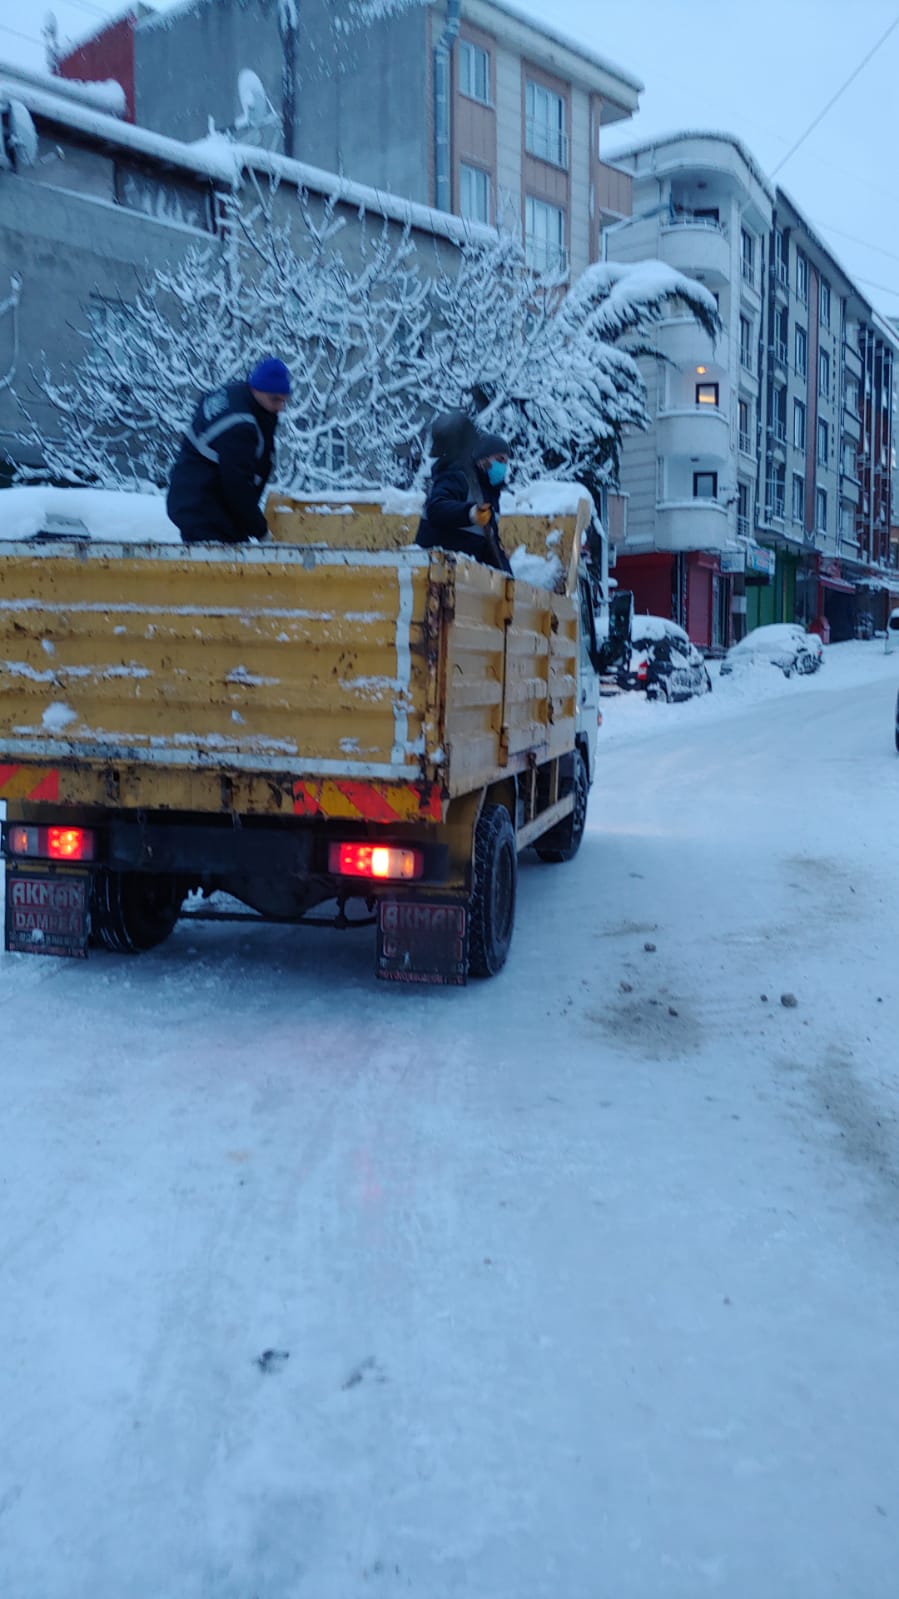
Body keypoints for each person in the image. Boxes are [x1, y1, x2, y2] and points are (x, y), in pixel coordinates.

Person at [166, 357, 291, 544]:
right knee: (224, 570)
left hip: (195, 500)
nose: (280, 407)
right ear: (256, 389)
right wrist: (261, 532)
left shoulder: (233, 395)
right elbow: (237, 486)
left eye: (284, 400)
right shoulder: (240, 426)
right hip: (205, 513)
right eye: (274, 399)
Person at [415, 411, 513, 574]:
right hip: (432, 573)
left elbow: (490, 548)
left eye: (505, 462)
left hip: (462, 579)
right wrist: (470, 513)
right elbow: (436, 508)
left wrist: (511, 583)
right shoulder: (457, 477)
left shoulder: (487, 496)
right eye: (499, 459)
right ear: (482, 459)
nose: (503, 466)